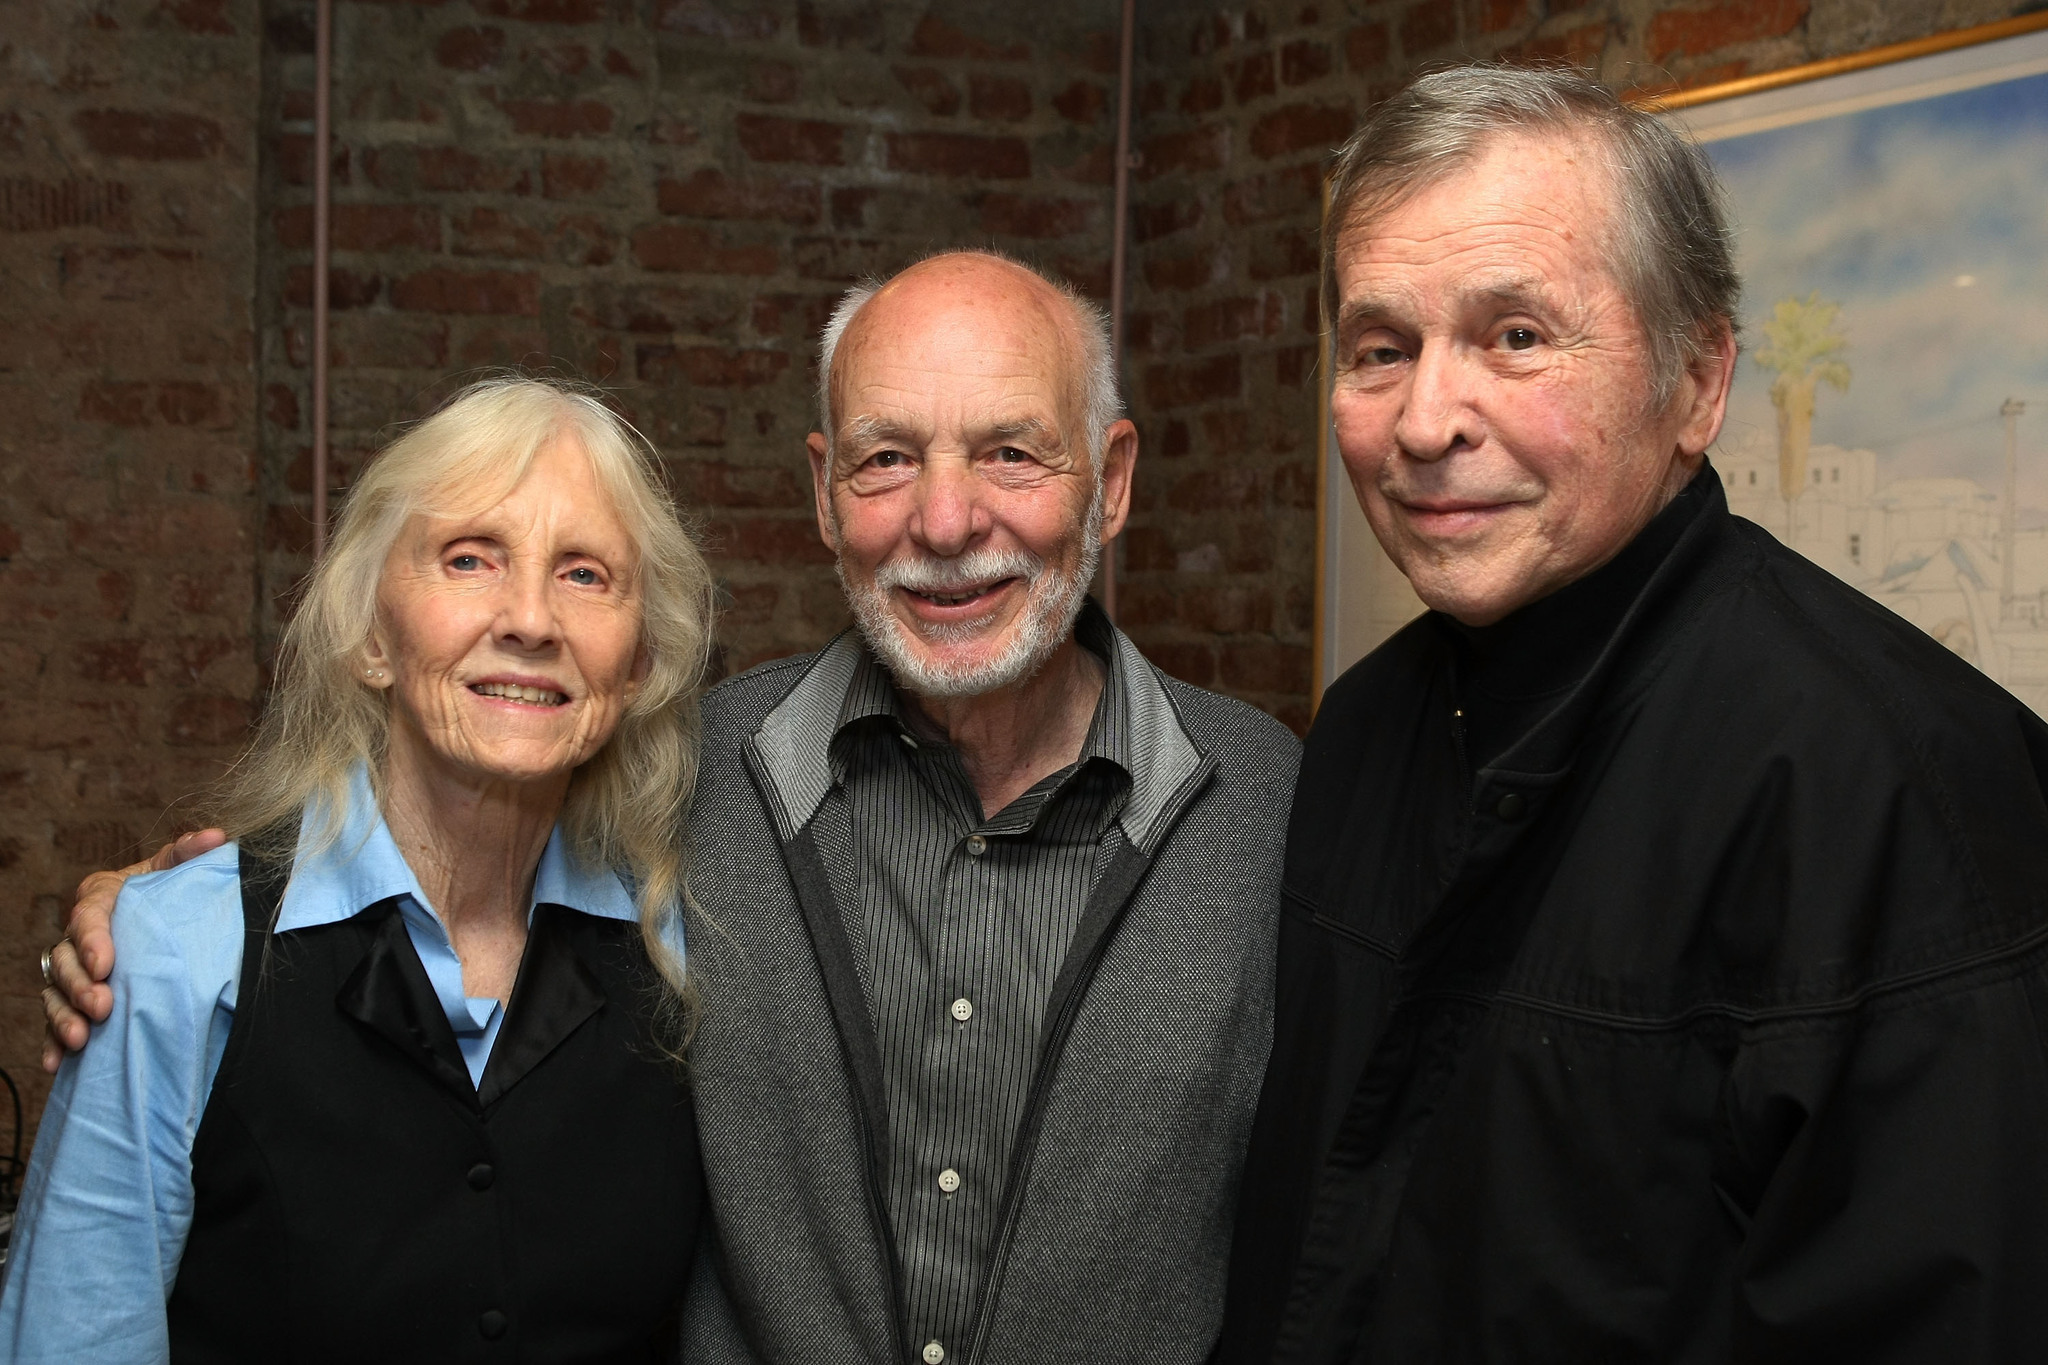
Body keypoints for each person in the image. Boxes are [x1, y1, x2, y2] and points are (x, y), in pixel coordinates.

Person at [45, 252, 1302, 1364]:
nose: (945, 519)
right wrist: (164, 924)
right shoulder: (698, 785)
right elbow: (437, 801)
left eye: (1011, 451)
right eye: (884, 459)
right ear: (822, 493)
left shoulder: (1274, 814)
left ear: (1114, 479)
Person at [1215, 65, 2048, 1363]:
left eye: (1517, 337)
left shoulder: (1898, 789)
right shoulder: (1368, 723)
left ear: (1699, 383)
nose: (1426, 421)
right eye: (1381, 348)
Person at [8, 377, 717, 1362]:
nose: (530, 618)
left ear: (636, 664)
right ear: (373, 637)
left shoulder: (692, 946)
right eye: (468, 559)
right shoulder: (181, 954)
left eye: (586, 574)